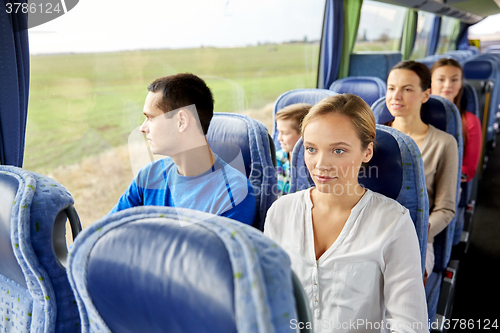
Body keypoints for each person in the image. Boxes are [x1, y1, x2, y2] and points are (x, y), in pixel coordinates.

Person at [265, 94, 428, 333]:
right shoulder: (280, 211)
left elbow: (409, 326)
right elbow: (266, 299)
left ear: (367, 153)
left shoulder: (393, 222)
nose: (321, 164)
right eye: (311, 149)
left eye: (338, 151)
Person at [110, 73, 256, 225]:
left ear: (181, 121)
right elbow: (105, 234)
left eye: (150, 118)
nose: (142, 127)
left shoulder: (233, 194)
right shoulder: (148, 177)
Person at [386, 60, 458, 276]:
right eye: (391, 88)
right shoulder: (371, 138)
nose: (396, 96)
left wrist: (412, 234)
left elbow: (446, 210)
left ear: (426, 95)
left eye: (407, 89)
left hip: (416, 239)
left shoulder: (444, 143)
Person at [430, 57, 482, 183]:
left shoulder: (470, 121)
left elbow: (468, 170)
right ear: (430, 83)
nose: (448, 85)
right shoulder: (414, 116)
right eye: (441, 79)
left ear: (460, 85)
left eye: (454, 79)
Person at [275, 103, 312, 196]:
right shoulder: (276, 158)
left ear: (303, 134)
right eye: (279, 132)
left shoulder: (311, 164)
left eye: (285, 133)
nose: (279, 138)